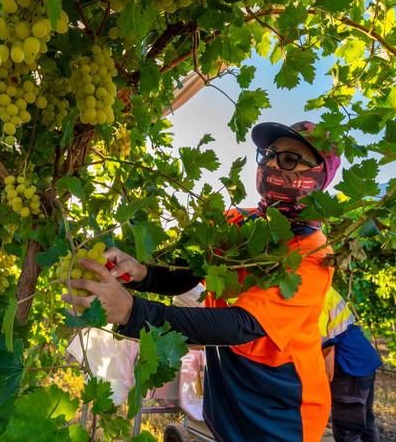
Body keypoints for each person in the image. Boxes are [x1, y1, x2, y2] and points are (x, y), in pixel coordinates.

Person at [62, 121, 342, 442]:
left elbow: (241, 325)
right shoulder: (236, 223)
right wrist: (141, 272)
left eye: (290, 160)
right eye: (267, 155)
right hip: (227, 403)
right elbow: (188, 271)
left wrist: (131, 312)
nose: (272, 164)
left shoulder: (312, 252)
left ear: (319, 175)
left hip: (281, 413)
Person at [320, 288, 382, 442]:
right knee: (366, 423)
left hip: (349, 366)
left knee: (347, 431)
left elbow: (325, 345)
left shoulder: (313, 292)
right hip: (362, 357)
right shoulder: (326, 287)